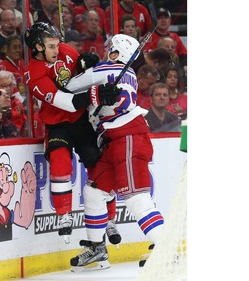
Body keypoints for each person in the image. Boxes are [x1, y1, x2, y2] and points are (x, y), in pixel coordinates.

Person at [64, 34, 164, 270]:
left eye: (110, 48)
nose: (107, 51)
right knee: (94, 193)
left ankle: (166, 248)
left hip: (127, 137)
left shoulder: (107, 68)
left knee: (136, 198)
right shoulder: (127, 74)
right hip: (115, 140)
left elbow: (69, 86)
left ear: (118, 53)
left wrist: (85, 70)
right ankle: (98, 248)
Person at [23, 22, 122, 243]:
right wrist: (95, 95)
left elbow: (85, 76)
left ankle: (110, 218)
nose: (57, 50)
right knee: (59, 161)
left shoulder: (66, 51)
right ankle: (64, 215)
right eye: (50, 46)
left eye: (57, 44)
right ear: (38, 47)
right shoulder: (33, 73)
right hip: (58, 123)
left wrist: (89, 65)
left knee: (98, 164)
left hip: (81, 120)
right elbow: (66, 103)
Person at [0, 70, 28, 138]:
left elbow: (24, 126)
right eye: (3, 86)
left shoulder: (17, 103)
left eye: (10, 85)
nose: (7, 89)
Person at [0, 34, 27, 101]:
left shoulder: (22, 63)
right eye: (14, 47)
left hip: (27, 100)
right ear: (6, 49)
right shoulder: (2, 69)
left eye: (20, 47)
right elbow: (6, 93)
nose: (18, 50)